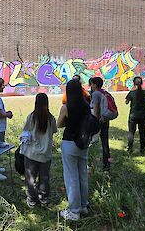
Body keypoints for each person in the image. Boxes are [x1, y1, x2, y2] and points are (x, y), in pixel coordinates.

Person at [57, 79, 90, 221]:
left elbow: (59, 124)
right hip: (83, 143)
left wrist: (66, 121)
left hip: (70, 142)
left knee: (72, 178)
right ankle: (84, 206)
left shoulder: (66, 107)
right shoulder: (86, 106)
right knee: (82, 175)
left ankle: (74, 211)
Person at [20, 93, 57, 208]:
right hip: (45, 154)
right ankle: (44, 198)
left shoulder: (31, 117)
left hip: (31, 153)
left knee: (30, 179)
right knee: (44, 178)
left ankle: (32, 200)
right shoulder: (51, 118)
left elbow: (25, 132)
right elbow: (54, 131)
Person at [89, 77, 111, 171]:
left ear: (94, 85)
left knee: (92, 142)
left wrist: (95, 122)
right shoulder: (104, 92)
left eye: (92, 84)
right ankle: (107, 164)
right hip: (105, 120)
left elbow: (96, 109)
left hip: (98, 121)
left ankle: (91, 163)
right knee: (105, 143)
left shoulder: (95, 94)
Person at [125, 76, 145, 154]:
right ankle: (142, 149)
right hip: (142, 115)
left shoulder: (132, 93)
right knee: (142, 132)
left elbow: (126, 102)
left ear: (134, 83)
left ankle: (130, 148)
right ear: (142, 83)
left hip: (133, 115)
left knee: (131, 132)